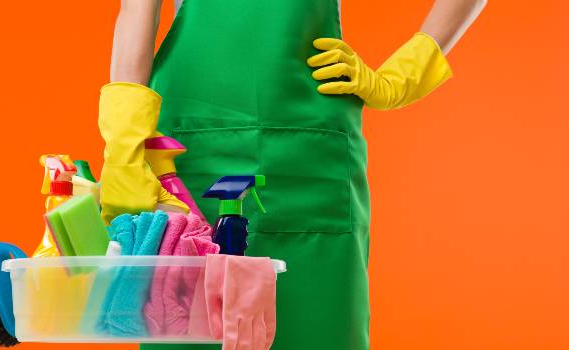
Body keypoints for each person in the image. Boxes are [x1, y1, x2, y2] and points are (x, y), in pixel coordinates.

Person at [98, 0, 487, 349]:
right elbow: (137, 8)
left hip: (309, 146)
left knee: (318, 327)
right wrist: (123, 141)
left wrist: (408, 73)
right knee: (187, 323)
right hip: (190, 143)